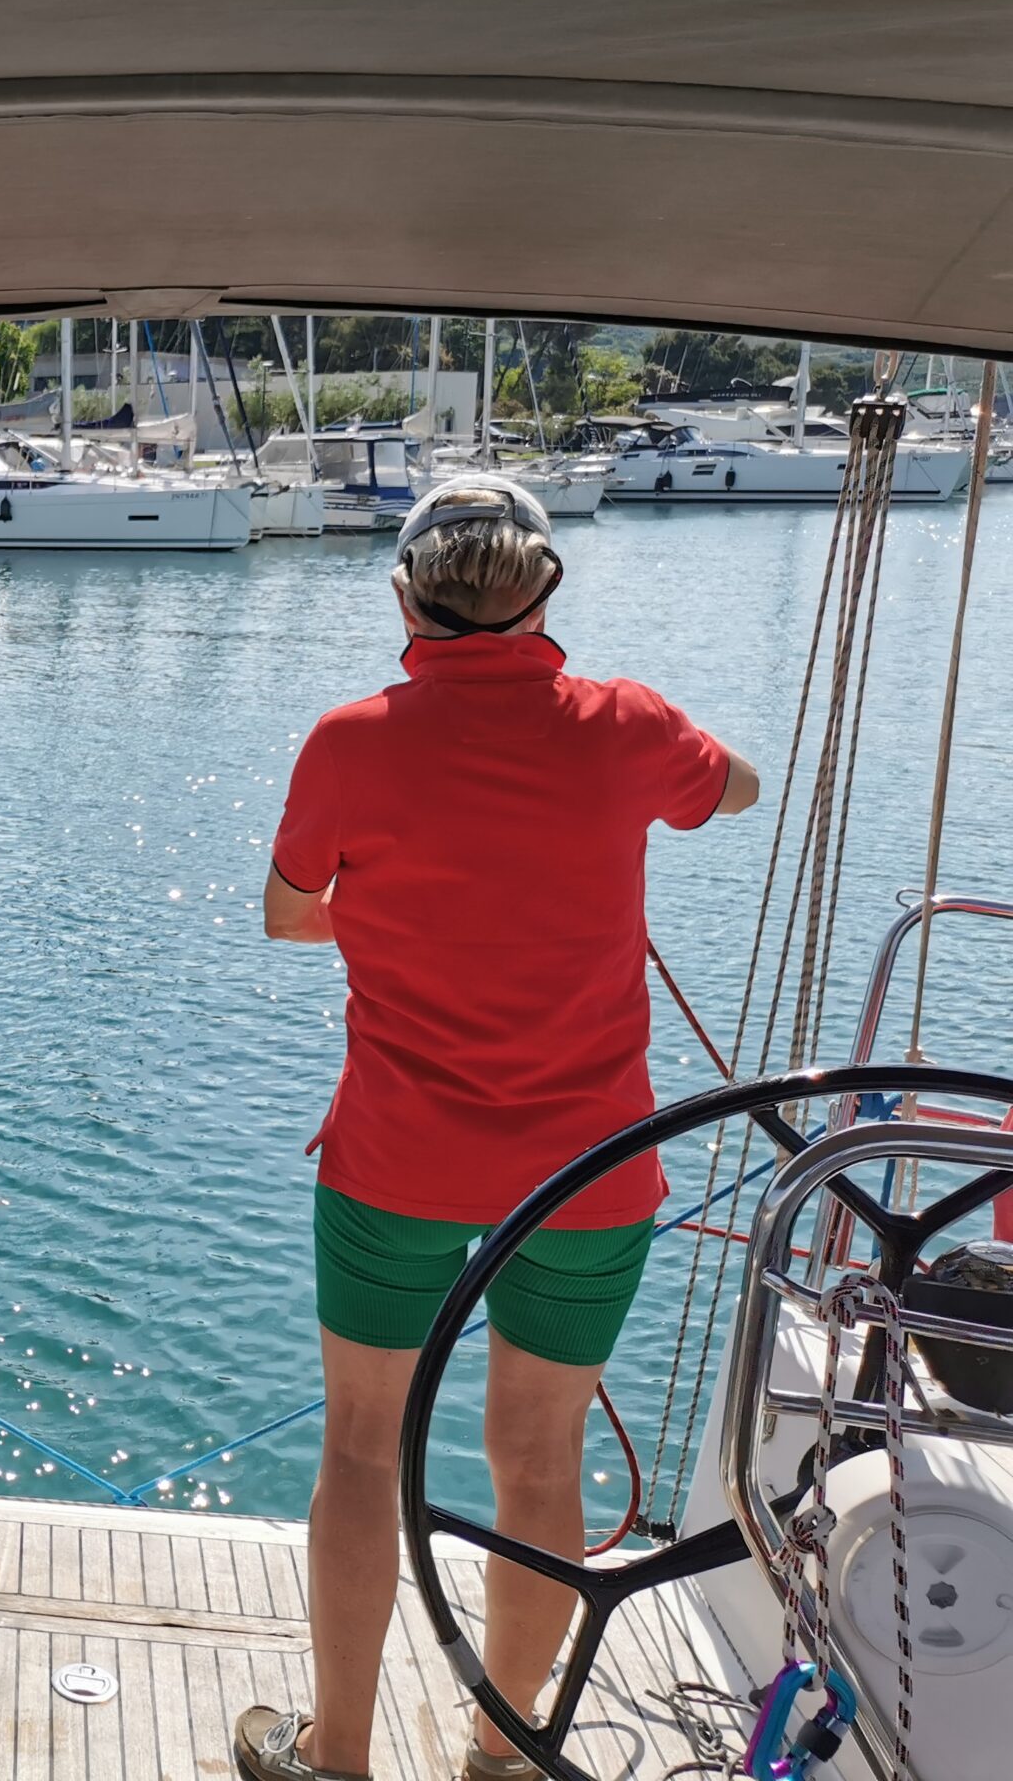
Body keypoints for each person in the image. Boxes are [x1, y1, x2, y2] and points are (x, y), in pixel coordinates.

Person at [236, 482, 759, 1781]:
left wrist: (426, 903)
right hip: (589, 1179)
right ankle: (503, 1754)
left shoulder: (351, 742)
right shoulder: (627, 725)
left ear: (407, 600)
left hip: (395, 1166)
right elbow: (737, 787)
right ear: (548, 595)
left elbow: (290, 917)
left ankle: (337, 1757)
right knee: (542, 1461)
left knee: (361, 1449)